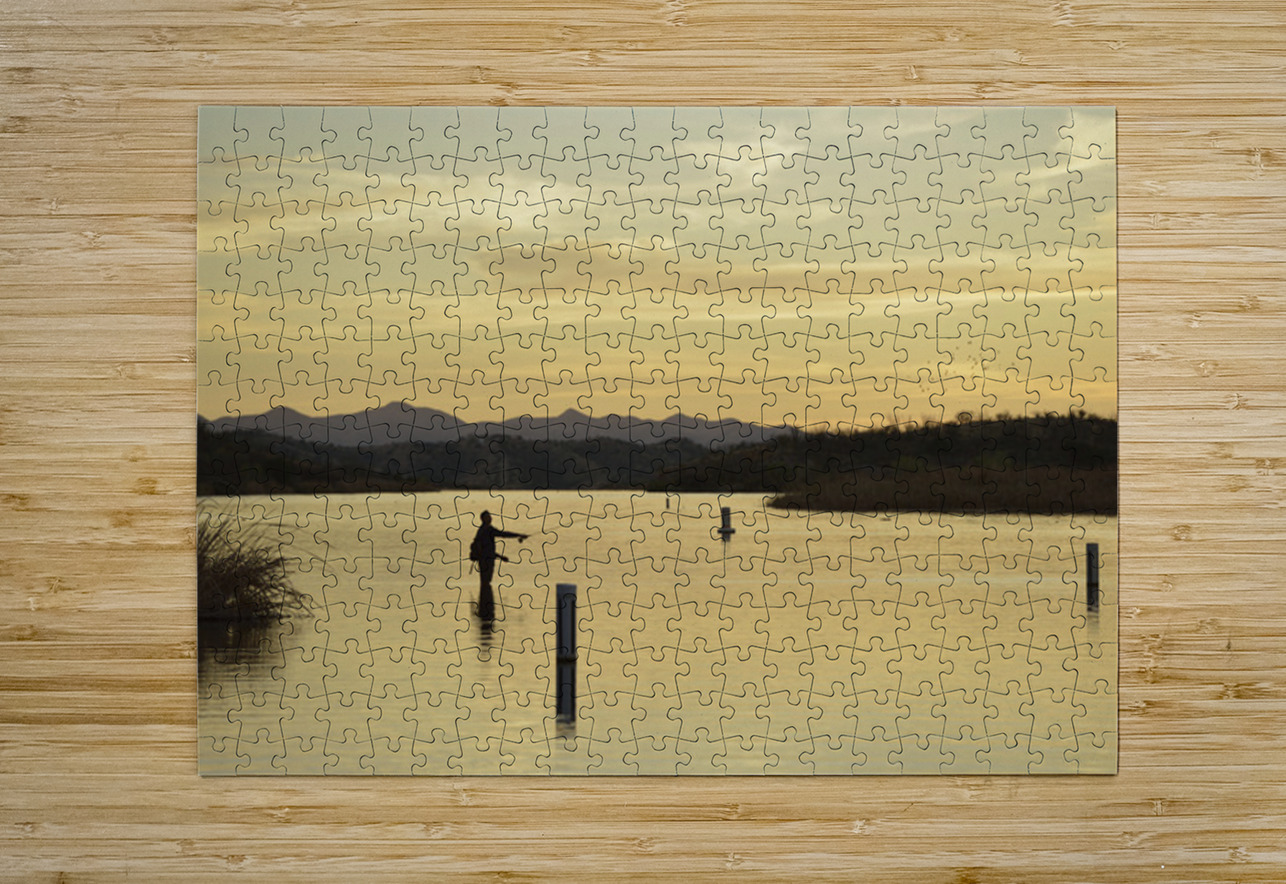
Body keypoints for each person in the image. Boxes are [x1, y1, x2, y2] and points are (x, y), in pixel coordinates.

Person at [469, 510, 528, 621]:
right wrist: (519, 535)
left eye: (490, 516)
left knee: (485, 583)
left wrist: (500, 557)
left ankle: (484, 604)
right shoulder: (487, 530)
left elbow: (488, 549)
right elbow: (503, 534)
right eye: (487, 517)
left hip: (485, 560)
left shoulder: (482, 530)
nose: (490, 518)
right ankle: (485, 606)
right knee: (486, 583)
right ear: (483, 519)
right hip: (486, 561)